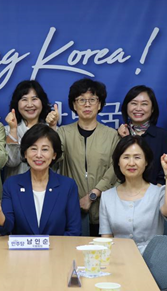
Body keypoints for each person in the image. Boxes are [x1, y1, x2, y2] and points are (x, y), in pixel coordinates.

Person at [47, 78, 119, 236]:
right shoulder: (63, 132)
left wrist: (93, 194)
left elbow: (115, 169)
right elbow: (53, 158)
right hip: (71, 209)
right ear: (74, 105)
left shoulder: (112, 135)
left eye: (92, 100)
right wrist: (52, 129)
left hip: (105, 209)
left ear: (99, 104)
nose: (87, 105)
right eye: (81, 100)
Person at [0, 124, 81, 236]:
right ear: (25, 153)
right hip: (22, 247)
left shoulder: (67, 185)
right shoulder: (12, 184)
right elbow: (6, 227)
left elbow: (74, 231)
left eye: (45, 149)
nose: (39, 155)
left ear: (54, 155)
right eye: (33, 149)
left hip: (58, 247)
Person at [99, 135, 167, 253]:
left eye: (137, 157)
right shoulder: (107, 197)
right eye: (126, 157)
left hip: (151, 259)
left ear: (146, 161)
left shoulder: (158, 193)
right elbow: (106, 240)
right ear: (118, 162)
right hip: (119, 258)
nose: (131, 163)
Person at [118, 85, 167, 185]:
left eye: (144, 104)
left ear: (152, 109)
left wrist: (156, 190)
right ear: (126, 107)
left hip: (157, 191)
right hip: (122, 191)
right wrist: (125, 139)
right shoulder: (118, 135)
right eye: (134, 103)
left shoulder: (163, 136)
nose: (138, 108)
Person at [4, 80, 52, 179]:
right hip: (16, 187)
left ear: (42, 102)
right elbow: (12, 162)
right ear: (17, 104)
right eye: (24, 99)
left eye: (34, 99)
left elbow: (57, 159)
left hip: (48, 186)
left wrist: (53, 127)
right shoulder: (6, 130)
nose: (29, 105)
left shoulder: (52, 129)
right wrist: (13, 130)